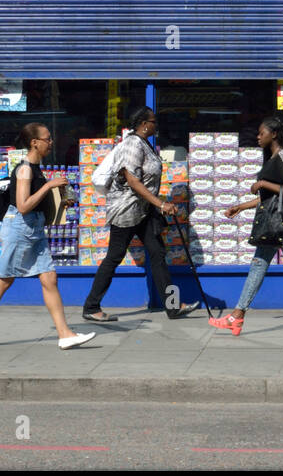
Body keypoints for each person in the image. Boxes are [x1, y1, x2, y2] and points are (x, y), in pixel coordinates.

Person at [0, 123, 95, 350]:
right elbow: (23, 206)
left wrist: (59, 198)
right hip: (20, 229)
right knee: (4, 280)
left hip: (34, 229)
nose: (50, 142)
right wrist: (49, 186)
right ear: (35, 143)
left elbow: (35, 202)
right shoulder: (25, 169)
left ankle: (64, 334)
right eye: (47, 139)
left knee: (49, 278)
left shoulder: (37, 168)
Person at [208, 116, 283, 337]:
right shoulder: (273, 158)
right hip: (281, 216)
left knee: (260, 263)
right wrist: (241, 207)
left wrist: (261, 183)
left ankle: (237, 316)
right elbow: (272, 198)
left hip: (282, 219)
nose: (258, 137)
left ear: (274, 135)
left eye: (262, 133)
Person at [82, 107, 199, 322]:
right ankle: (91, 306)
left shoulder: (145, 145)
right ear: (144, 123)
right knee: (114, 257)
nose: (156, 125)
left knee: (157, 254)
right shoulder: (132, 145)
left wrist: (154, 205)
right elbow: (133, 180)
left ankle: (172, 306)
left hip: (143, 211)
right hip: (126, 210)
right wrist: (161, 204)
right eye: (153, 121)